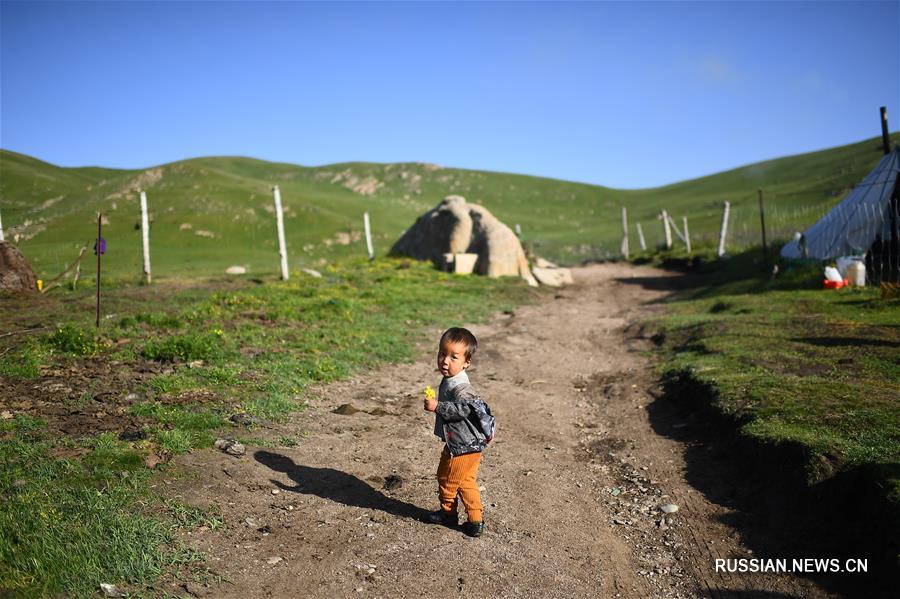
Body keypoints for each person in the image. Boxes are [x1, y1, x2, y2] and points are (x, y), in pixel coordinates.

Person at [423, 327, 495, 537]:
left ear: (466, 362)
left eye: (454, 357)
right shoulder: (450, 379)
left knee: (448, 480)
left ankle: (449, 515)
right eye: (442, 354)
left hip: (464, 446)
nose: (445, 361)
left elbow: (463, 410)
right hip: (460, 443)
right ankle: (474, 520)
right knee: (464, 480)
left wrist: (437, 406)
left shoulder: (462, 387)